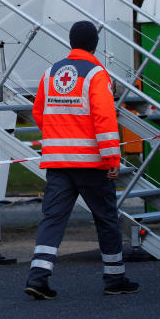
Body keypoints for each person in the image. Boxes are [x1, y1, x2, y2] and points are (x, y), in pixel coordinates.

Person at [24, 20, 140, 300]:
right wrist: (112, 158)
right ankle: (115, 278)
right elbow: (104, 119)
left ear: (71, 42)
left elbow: (39, 113)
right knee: (106, 219)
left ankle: (38, 277)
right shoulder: (96, 74)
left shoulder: (51, 72)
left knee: (52, 219)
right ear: (94, 45)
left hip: (58, 162)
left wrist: (61, 132)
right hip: (91, 163)